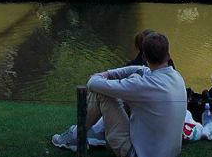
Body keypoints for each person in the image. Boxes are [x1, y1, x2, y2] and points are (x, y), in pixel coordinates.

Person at [53, 32, 186, 157]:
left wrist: (102, 75)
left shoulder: (143, 85)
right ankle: (92, 133)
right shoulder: (176, 76)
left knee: (102, 93)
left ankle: (76, 136)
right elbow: (141, 69)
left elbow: (92, 83)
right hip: (170, 153)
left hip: (137, 154)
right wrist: (110, 73)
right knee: (128, 80)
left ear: (144, 57)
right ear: (168, 56)